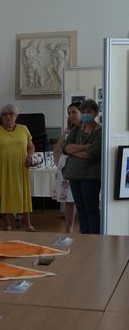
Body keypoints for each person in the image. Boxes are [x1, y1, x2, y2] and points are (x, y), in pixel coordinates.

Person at [0, 104, 35, 231]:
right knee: (4, 196)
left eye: (11, 114)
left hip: (20, 169)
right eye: (4, 114)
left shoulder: (24, 129)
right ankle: (7, 224)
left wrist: (29, 157)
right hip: (1, 170)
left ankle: (28, 224)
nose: (8, 117)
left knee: (23, 195)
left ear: (16, 116)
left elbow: (31, 147)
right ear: (1, 117)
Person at [61, 99, 103, 234]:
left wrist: (73, 151)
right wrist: (85, 147)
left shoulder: (100, 131)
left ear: (95, 113)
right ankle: (85, 236)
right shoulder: (77, 129)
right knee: (80, 208)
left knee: (91, 209)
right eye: (83, 111)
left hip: (90, 176)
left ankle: (95, 238)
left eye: (88, 111)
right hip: (74, 175)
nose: (85, 114)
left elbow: (93, 153)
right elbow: (65, 148)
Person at [51, 103, 80, 234]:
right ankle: (69, 230)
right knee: (69, 200)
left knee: (82, 200)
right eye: (69, 113)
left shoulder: (88, 130)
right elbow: (58, 148)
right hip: (66, 167)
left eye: (74, 112)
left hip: (79, 167)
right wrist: (63, 139)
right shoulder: (68, 131)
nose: (71, 115)